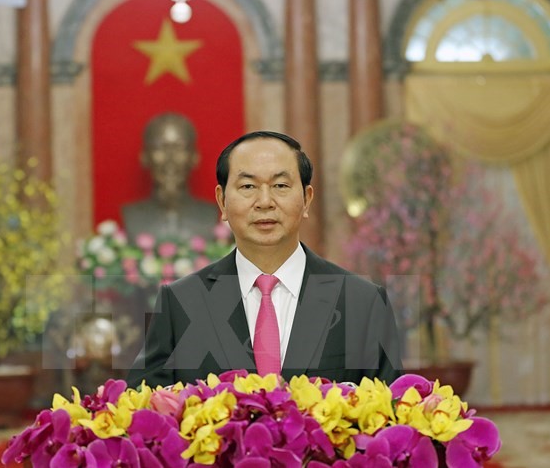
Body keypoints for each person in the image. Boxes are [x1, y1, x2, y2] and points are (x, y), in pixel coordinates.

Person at [125, 131, 402, 388]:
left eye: (280, 185)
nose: (265, 201)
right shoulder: (180, 304)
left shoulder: (362, 302)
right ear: (222, 202)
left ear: (306, 199)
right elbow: (146, 408)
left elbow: (390, 412)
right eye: (248, 186)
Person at [121, 112, 220, 241]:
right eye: (159, 147)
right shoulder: (131, 216)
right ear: (144, 156)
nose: (170, 159)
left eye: (179, 148)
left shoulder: (212, 215)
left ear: (195, 157)